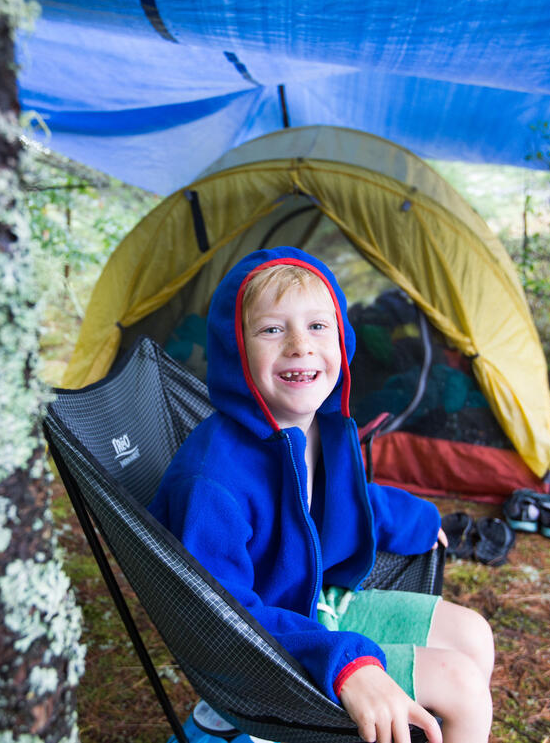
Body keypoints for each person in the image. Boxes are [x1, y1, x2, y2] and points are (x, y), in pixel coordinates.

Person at [149, 247, 494, 743]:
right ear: (234, 349)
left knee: (473, 636)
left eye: (318, 326)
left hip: (317, 605)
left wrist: (415, 517)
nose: (299, 346)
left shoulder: (315, 428)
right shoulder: (211, 482)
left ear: (343, 337)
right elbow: (221, 616)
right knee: (460, 684)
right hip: (270, 657)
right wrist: (347, 665)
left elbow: (333, 504)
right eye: (272, 329)